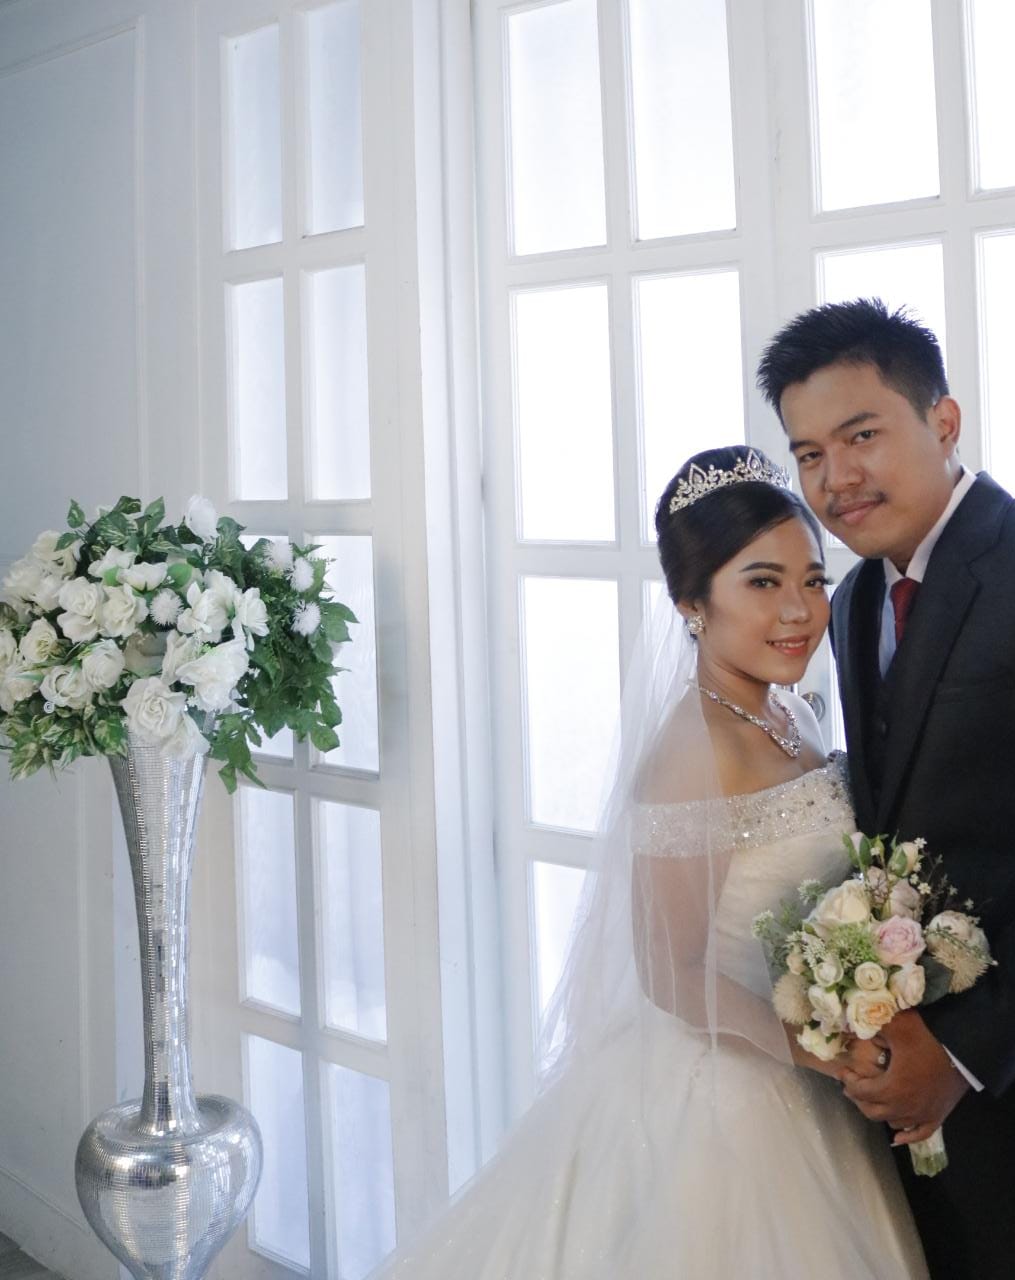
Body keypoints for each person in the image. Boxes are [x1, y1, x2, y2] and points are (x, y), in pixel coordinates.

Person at [385, 445, 927, 1278]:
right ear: (691, 603)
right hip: (729, 1098)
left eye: (812, 580)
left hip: (802, 1073)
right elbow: (669, 970)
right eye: (761, 582)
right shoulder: (691, 750)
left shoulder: (794, 713)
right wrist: (824, 1051)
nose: (798, 611)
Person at [758, 297, 1015, 1279]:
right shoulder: (854, 599)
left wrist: (960, 1056)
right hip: (920, 1129)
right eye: (809, 453)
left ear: (943, 421)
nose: (835, 476)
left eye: (861, 435)